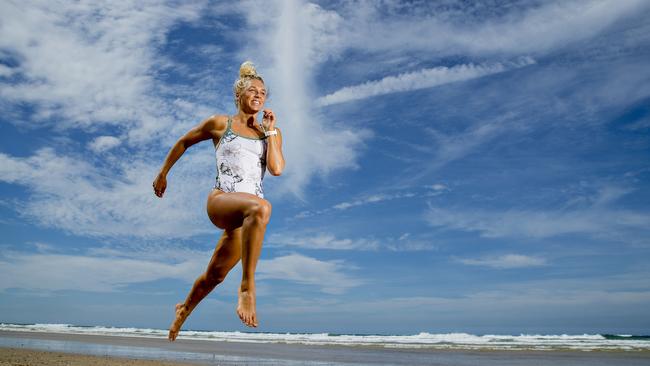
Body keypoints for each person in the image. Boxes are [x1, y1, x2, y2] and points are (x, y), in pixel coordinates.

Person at [152, 61, 284, 341]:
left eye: (263, 92)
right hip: (221, 201)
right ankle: (247, 288)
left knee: (214, 276)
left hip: (248, 218)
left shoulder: (269, 132)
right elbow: (184, 141)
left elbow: (276, 169)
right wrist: (163, 173)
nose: (258, 95)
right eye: (252, 90)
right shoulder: (220, 124)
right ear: (238, 96)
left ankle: (183, 310)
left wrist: (271, 132)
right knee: (262, 206)